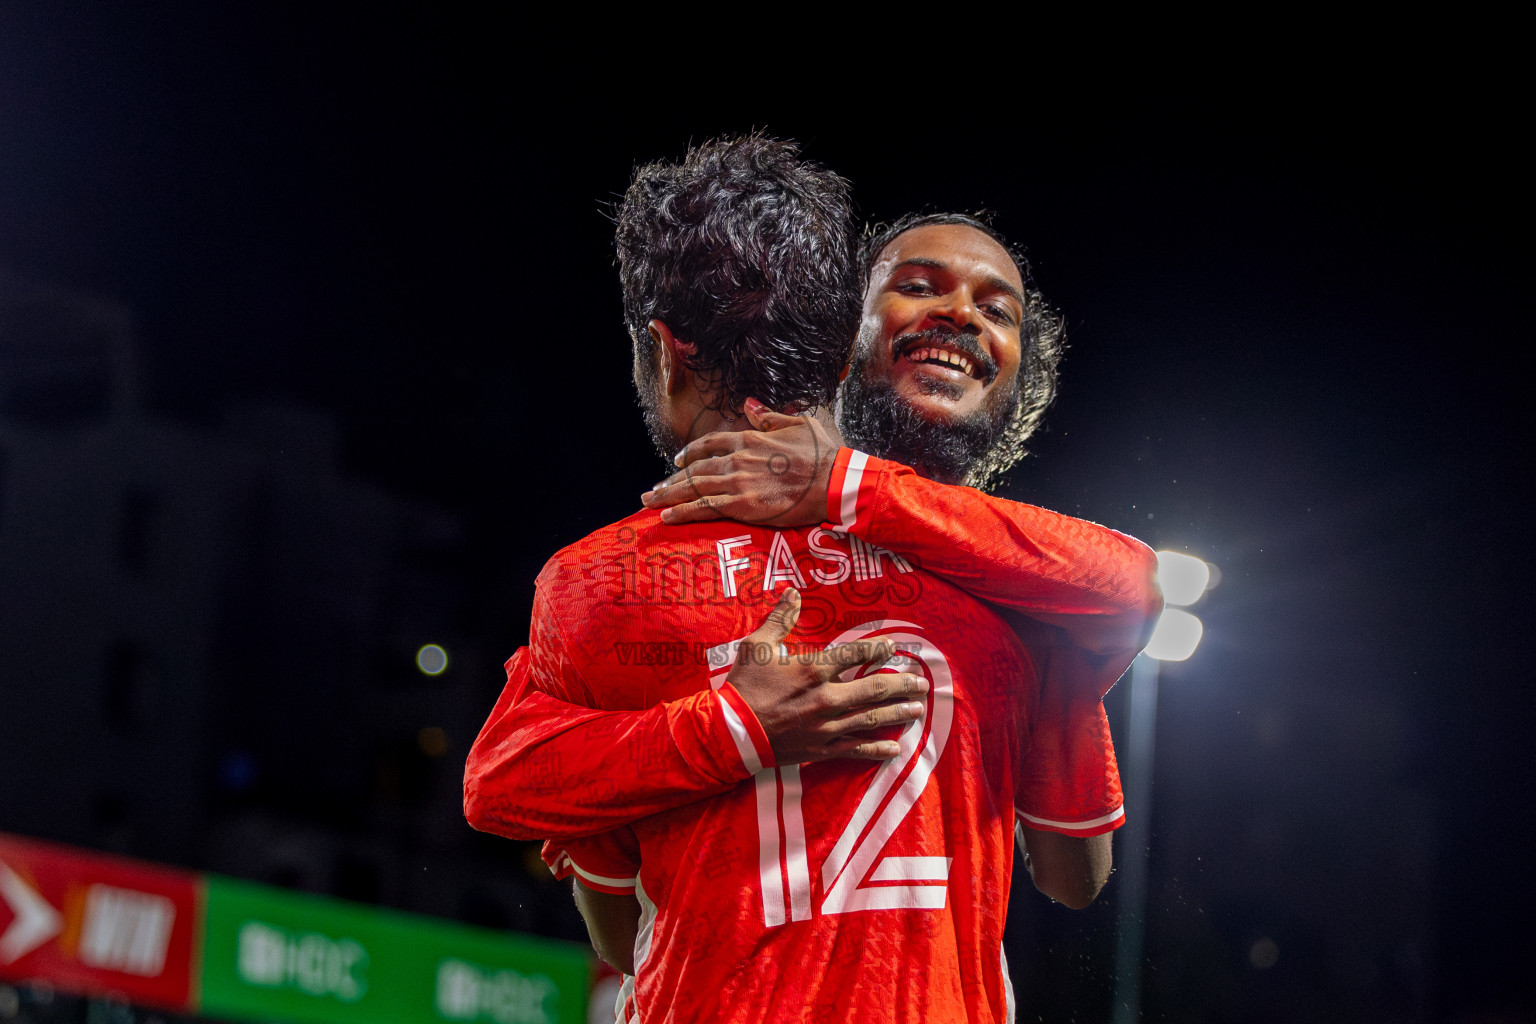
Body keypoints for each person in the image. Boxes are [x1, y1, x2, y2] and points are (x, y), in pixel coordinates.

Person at [464, 136, 1161, 1023]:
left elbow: (607, 913)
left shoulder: (616, 568)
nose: (959, 314)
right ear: (841, 345)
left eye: (999, 308)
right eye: (917, 285)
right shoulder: (1031, 594)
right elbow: (1075, 874)